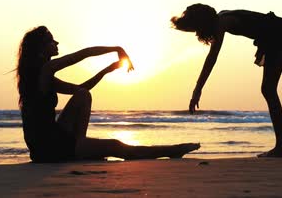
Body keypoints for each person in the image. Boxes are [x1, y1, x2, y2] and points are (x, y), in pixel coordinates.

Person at [16, 25, 200, 163]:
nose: (56, 43)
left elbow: (82, 89)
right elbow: (83, 54)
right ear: (41, 48)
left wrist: (106, 71)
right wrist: (116, 48)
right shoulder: (46, 69)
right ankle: (172, 150)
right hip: (50, 147)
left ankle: (80, 145)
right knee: (116, 146)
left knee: (82, 94)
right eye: (51, 40)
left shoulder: (39, 75)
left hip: (41, 148)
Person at [171, 4, 282, 158]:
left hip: (277, 36)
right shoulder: (221, 17)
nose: (196, 33)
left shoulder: (222, 22)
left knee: (270, 89)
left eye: (196, 28)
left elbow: (212, 57)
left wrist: (197, 90)